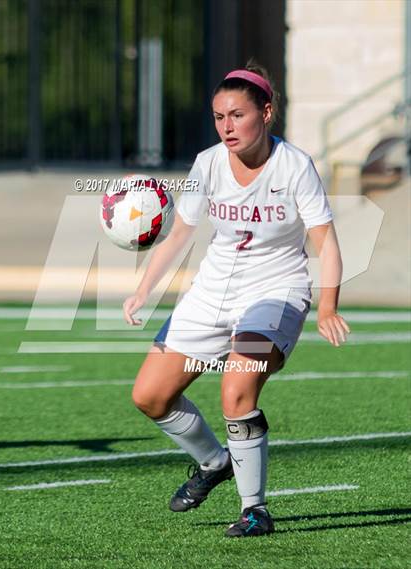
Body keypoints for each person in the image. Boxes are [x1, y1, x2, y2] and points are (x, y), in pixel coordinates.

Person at [123, 62, 350, 538]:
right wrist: (145, 288)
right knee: (150, 396)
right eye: (218, 116)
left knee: (236, 390)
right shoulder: (207, 163)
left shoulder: (294, 166)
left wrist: (327, 305)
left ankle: (255, 510)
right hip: (212, 290)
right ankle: (212, 463)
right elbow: (182, 231)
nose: (227, 126)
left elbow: (325, 242)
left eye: (238, 115)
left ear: (266, 113)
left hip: (276, 290)